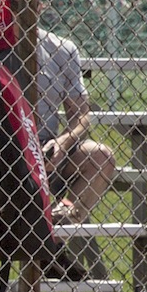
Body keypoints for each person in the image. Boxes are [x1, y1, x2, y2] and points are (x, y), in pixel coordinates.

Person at [31, 26, 118, 224]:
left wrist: (63, 143)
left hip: (46, 147)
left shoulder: (61, 48)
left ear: (39, 5)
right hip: (0, 148)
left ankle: (58, 231)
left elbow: (80, 114)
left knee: (101, 156)